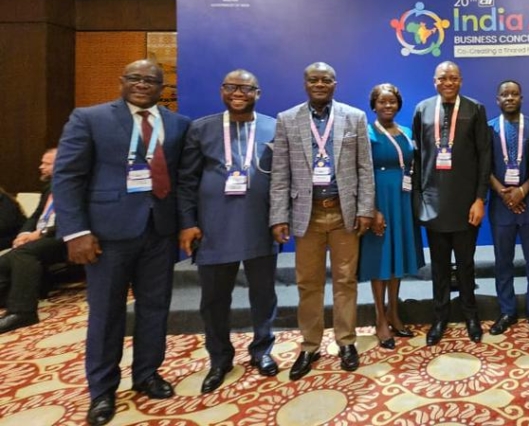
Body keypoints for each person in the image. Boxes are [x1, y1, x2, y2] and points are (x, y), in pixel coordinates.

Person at [52, 60, 190, 426]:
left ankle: (147, 373)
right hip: (107, 235)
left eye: (151, 80)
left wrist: (184, 225)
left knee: (155, 307)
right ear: (122, 81)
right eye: (135, 78)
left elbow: (182, 179)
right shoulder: (89, 118)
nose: (143, 84)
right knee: (106, 313)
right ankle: (102, 390)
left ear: (162, 88)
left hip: (159, 232)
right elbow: (67, 176)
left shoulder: (178, 124)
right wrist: (76, 232)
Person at [177, 70, 279, 394]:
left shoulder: (273, 127)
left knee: (263, 295)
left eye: (245, 88)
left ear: (257, 93)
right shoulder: (201, 128)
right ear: (221, 91)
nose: (238, 93)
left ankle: (262, 350)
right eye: (231, 87)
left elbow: (283, 179)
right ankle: (219, 359)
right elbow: (186, 181)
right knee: (214, 300)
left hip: (259, 226)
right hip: (214, 229)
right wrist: (188, 222)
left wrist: (282, 219)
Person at [270, 62, 374, 378]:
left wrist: (365, 209)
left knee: (346, 280)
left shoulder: (354, 117)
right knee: (308, 283)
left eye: (325, 80)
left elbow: (365, 168)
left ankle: (346, 342)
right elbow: (280, 172)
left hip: (344, 211)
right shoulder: (287, 119)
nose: (319, 84)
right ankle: (310, 345)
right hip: (307, 213)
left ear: (334, 84)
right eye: (313, 80)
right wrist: (279, 216)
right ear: (305, 84)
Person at [411, 61, 491, 346]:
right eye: (443, 78)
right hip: (433, 203)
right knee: (440, 266)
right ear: (434, 81)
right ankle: (440, 317)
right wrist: (419, 199)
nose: (448, 82)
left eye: (453, 78)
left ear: (461, 81)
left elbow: (484, 156)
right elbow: (417, 157)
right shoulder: (422, 110)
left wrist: (480, 199)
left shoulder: (475, 109)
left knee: (466, 265)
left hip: (467, 203)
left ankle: (471, 316)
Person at [359, 83, 423, 349]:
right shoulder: (367, 133)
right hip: (380, 201)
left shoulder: (406, 132)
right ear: (373, 105)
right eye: (382, 102)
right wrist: (372, 209)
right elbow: (362, 171)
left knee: (396, 258)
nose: (388, 106)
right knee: (380, 260)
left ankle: (394, 312)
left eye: (392, 102)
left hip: (402, 200)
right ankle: (380, 318)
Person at [487, 80, 529, 337]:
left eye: (514, 94)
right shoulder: (488, 129)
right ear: (497, 100)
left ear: (521, 98)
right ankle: (507, 311)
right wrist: (503, 192)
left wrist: (522, 191)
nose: (509, 98)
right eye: (504, 94)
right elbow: (483, 166)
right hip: (501, 206)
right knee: (503, 262)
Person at [0, 148, 66, 334]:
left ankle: (22, 312)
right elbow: (36, 216)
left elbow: (72, 218)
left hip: (63, 236)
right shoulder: (49, 188)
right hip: (41, 239)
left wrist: (40, 233)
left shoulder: (77, 186)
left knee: (23, 253)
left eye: (46, 163)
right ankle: (35, 287)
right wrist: (23, 234)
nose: (40, 167)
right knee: (5, 261)